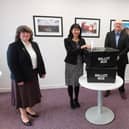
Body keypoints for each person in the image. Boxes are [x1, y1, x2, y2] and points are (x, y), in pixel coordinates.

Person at [7, 25, 46, 126]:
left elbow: (39, 58)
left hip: (32, 74)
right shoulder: (14, 46)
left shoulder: (34, 44)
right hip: (21, 76)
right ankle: (23, 114)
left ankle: (28, 108)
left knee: (31, 94)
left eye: (27, 32)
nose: (25, 34)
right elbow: (12, 64)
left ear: (30, 34)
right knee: (22, 96)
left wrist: (42, 71)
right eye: (23, 32)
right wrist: (18, 78)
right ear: (18, 34)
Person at [64, 23, 90, 109]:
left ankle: (76, 99)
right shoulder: (67, 40)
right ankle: (71, 100)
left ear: (80, 31)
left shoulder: (82, 40)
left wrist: (89, 50)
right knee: (71, 83)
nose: (76, 31)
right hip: (70, 64)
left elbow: (84, 52)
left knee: (77, 83)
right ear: (71, 30)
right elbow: (71, 52)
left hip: (79, 64)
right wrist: (82, 47)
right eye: (74, 29)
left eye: (78, 30)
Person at [104, 20, 129, 99]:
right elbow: (106, 46)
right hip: (111, 59)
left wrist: (119, 55)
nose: (118, 25)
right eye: (117, 24)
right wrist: (113, 56)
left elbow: (127, 47)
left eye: (120, 24)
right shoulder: (109, 34)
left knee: (121, 75)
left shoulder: (126, 35)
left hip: (122, 59)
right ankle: (108, 90)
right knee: (110, 75)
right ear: (114, 25)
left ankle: (121, 90)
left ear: (121, 26)